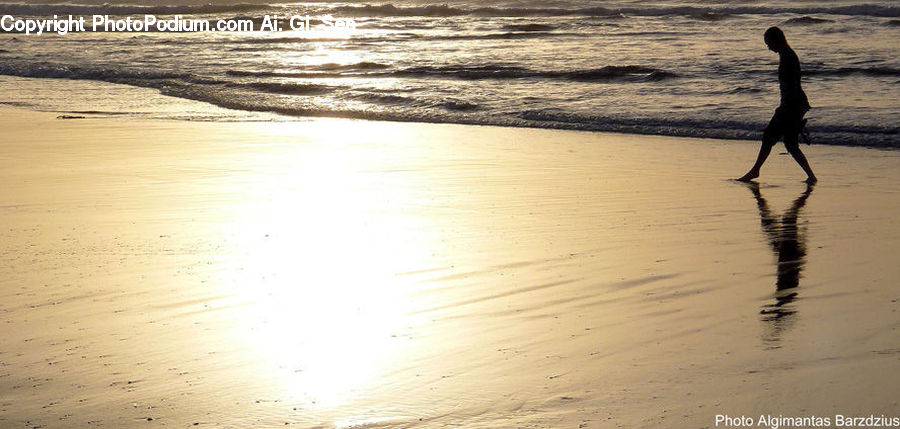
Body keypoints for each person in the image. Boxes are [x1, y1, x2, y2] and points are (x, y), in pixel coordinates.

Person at [737, 27, 817, 184]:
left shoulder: (788, 57)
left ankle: (755, 171)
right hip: (794, 103)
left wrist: (787, 108)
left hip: (792, 104)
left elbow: (792, 85)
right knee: (790, 143)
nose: (768, 47)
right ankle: (811, 176)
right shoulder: (786, 55)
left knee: (769, 137)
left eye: (769, 43)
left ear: (776, 40)